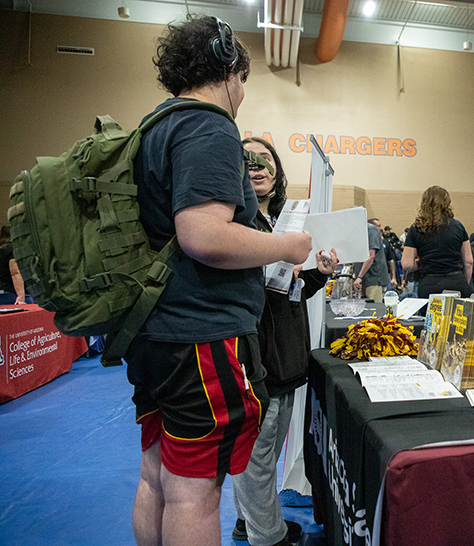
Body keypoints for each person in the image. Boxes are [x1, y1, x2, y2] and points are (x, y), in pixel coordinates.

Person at [126, 16, 313, 546]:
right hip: (200, 336)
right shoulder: (207, 125)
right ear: (229, 68)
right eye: (244, 80)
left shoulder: (154, 127)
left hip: (156, 331)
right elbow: (203, 235)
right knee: (195, 493)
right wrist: (286, 245)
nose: (242, 95)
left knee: (157, 478)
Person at [232, 137, 336, 546]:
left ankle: (248, 521)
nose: (258, 167)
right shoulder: (237, 224)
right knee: (257, 455)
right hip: (254, 356)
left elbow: (291, 294)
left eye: (266, 160)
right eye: (249, 159)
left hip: (285, 354)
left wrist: (317, 274)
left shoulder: (280, 225)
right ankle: (267, 535)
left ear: (277, 172)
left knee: (268, 450)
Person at [402, 186, 473, 299]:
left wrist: (421, 263)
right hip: (456, 281)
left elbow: (407, 264)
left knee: (430, 317)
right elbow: (468, 262)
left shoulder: (416, 228)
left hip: (430, 283)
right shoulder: (458, 226)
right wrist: (465, 283)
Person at [353, 218, 392, 303]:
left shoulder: (371, 230)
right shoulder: (357, 231)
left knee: (374, 309)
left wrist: (359, 277)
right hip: (362, 280)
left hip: (374, 280)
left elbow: (371, 256)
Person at [0, 225, 30, 305]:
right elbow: (15, 272)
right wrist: (20, 296)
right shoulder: (13, 249)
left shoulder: (2, 249)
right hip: (11, 291)